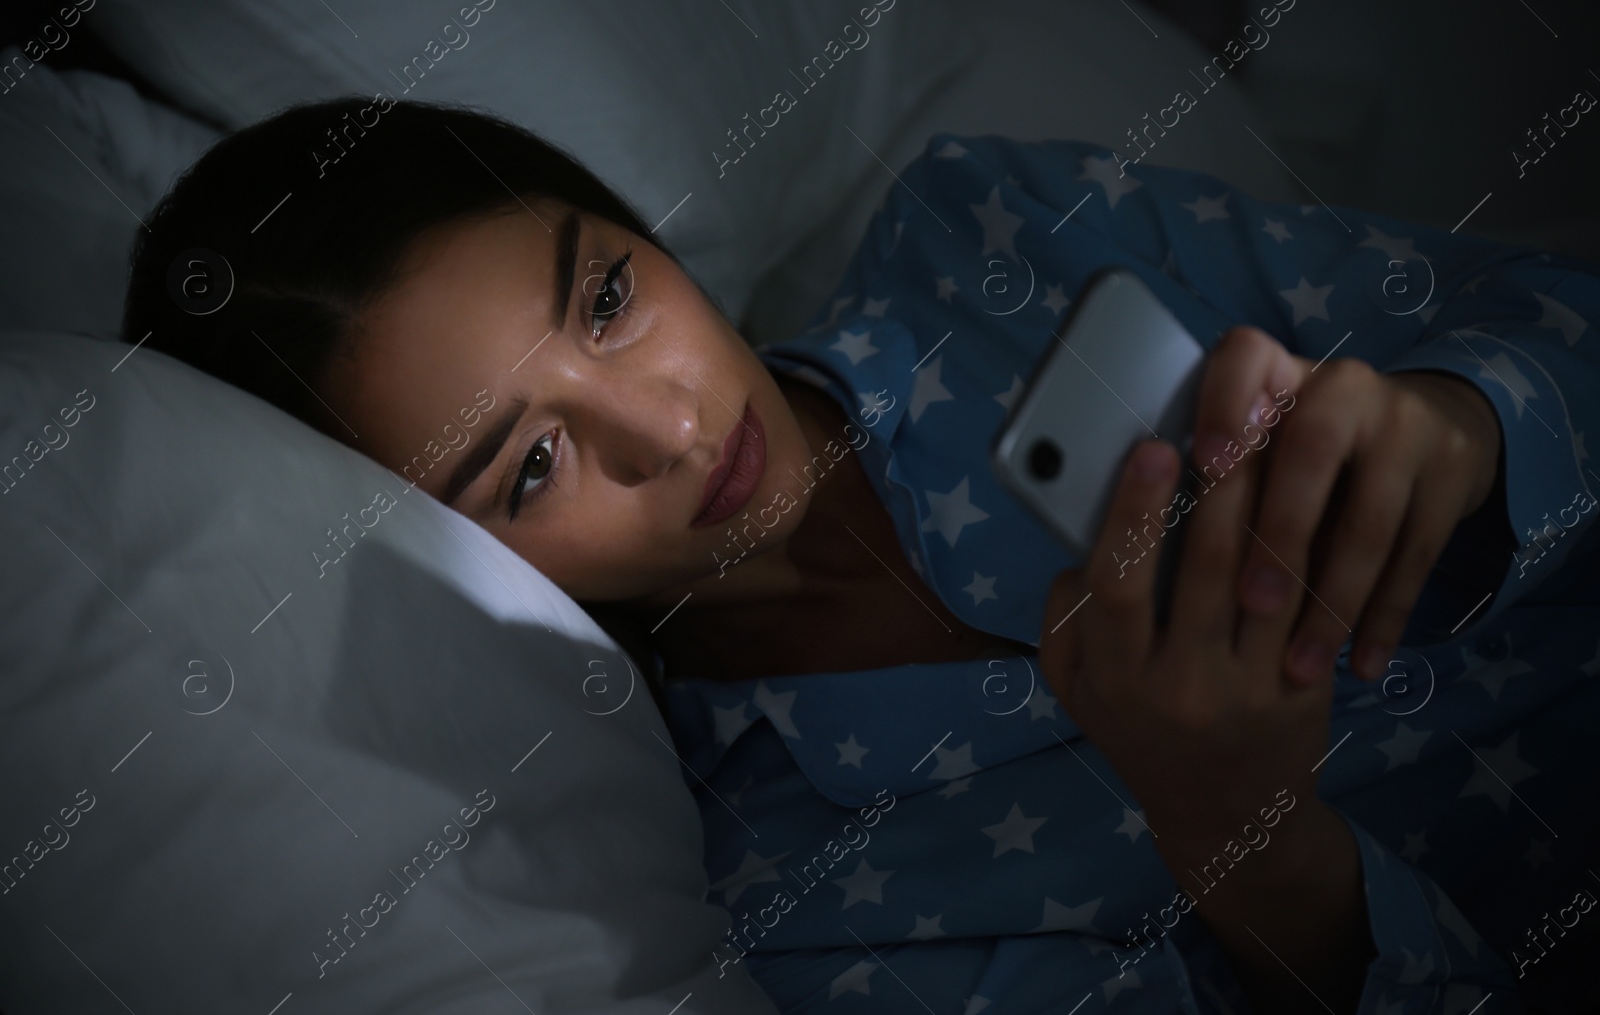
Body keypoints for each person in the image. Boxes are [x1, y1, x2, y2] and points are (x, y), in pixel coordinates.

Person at [122, 99, 1600, 1014]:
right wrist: (1248, 841)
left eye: (611, 297)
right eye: (530, 466)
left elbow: (1556, 303)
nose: (672, 428)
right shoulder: (791, 902)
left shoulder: (990, 231)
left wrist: (1458, 418)